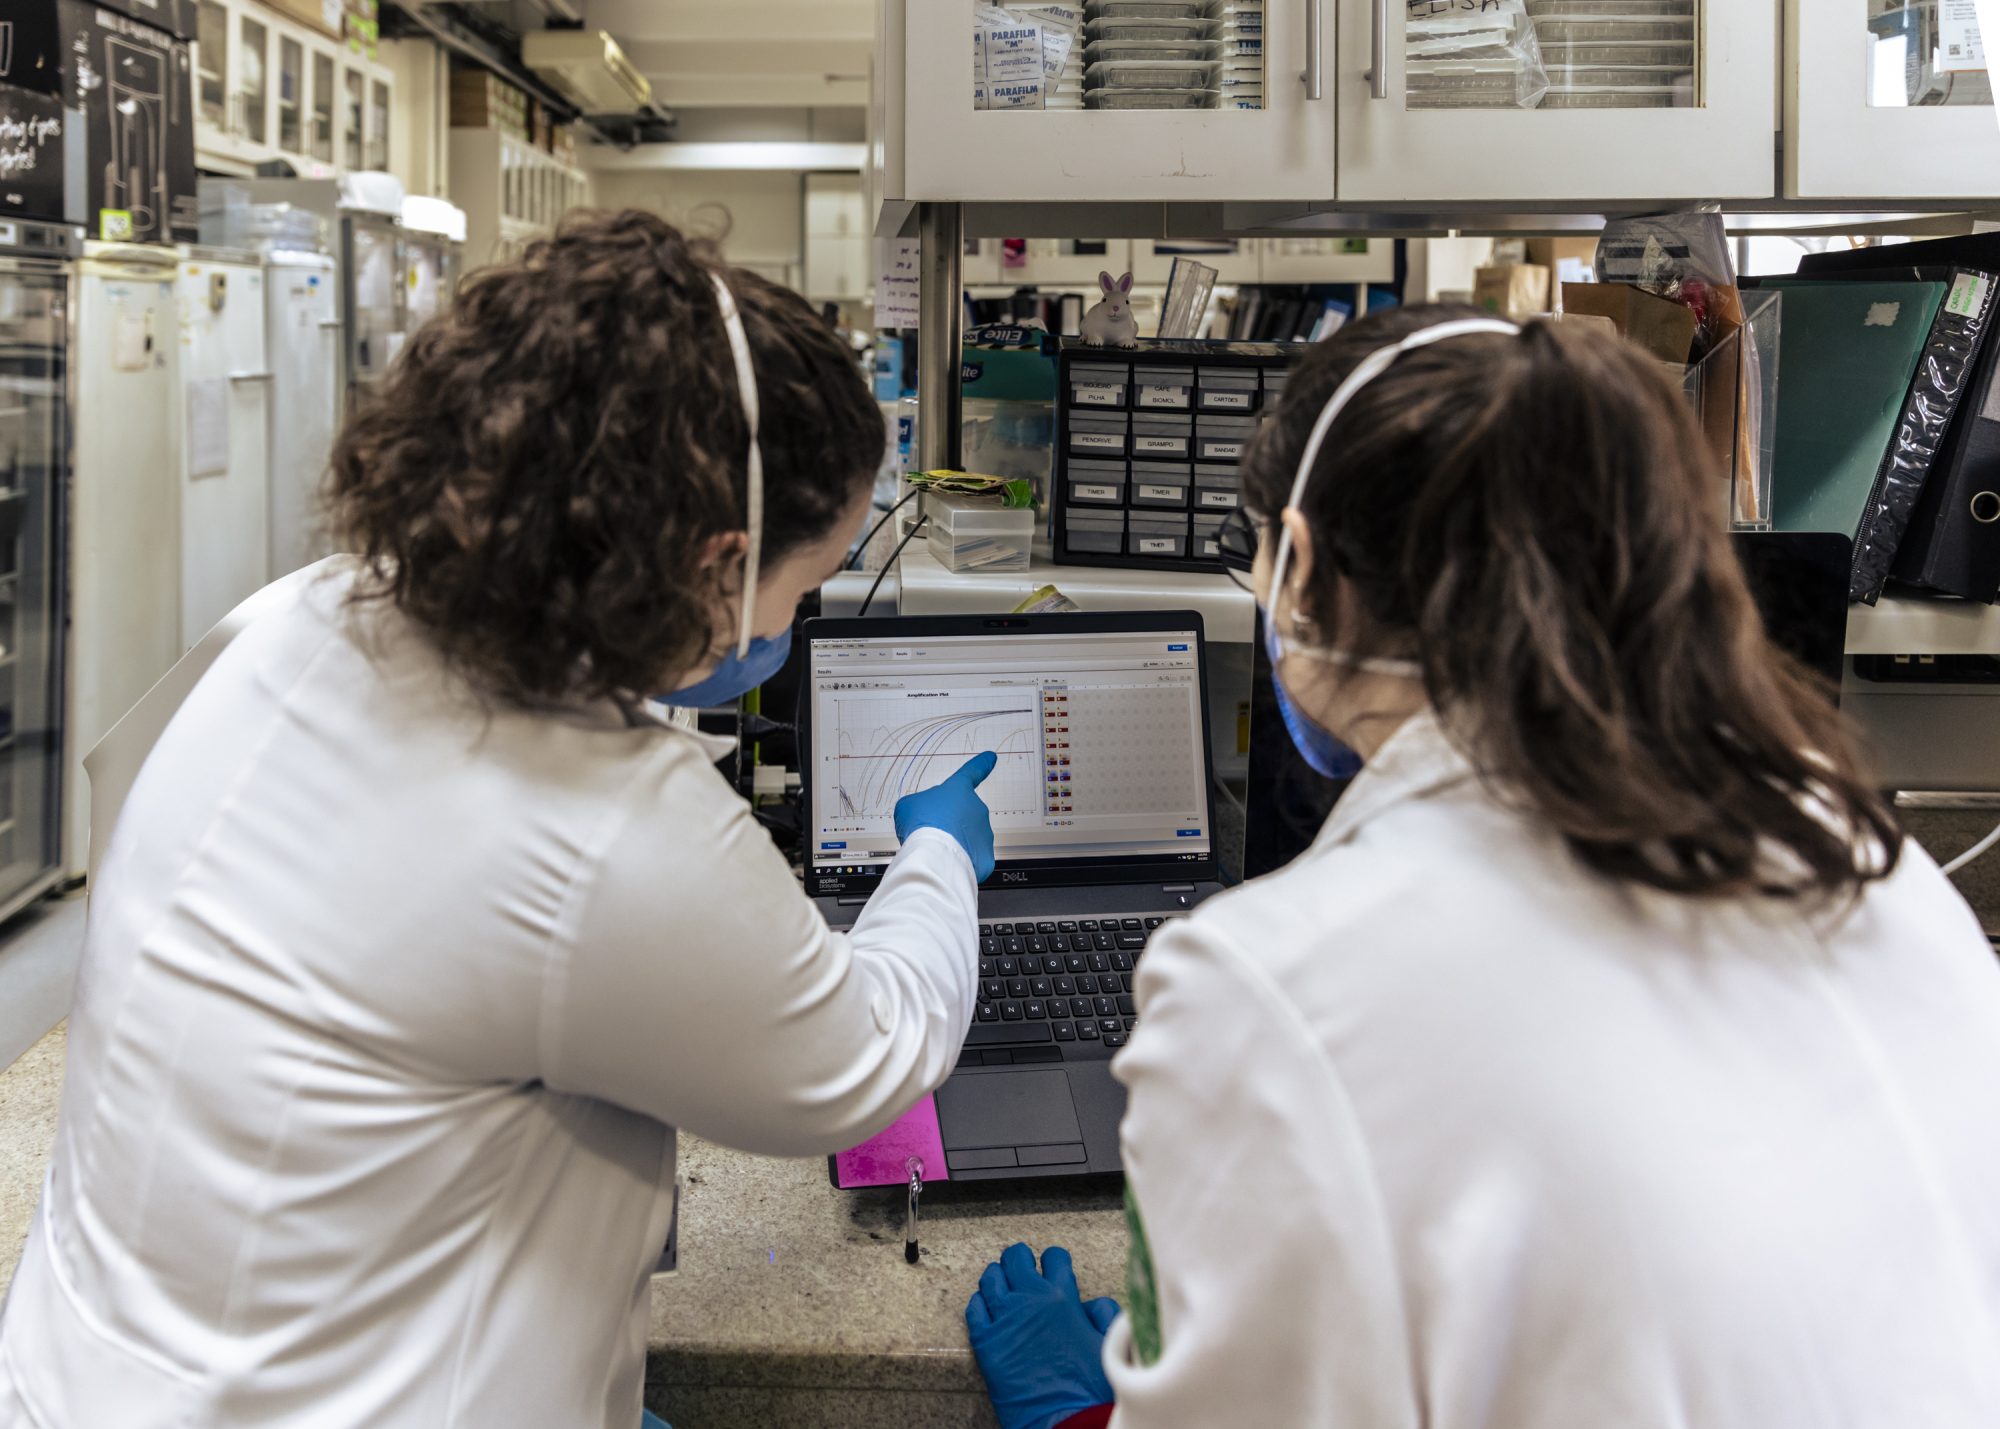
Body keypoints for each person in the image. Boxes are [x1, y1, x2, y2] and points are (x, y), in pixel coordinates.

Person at [0, 211, 997, 1427]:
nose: (805, 612)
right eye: (811, 579)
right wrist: (939, 852)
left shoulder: (297, 619)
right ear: (716, 563)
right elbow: (864, 1061)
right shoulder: (603, 821)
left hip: (96, 1372)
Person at [966, 306, 2000, 1428]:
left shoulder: (1268, 982)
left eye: (1257, 548)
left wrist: (1078, 1415)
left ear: (1302, 564)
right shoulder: (1861, 855)